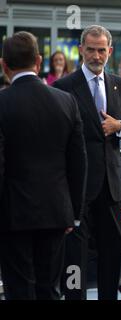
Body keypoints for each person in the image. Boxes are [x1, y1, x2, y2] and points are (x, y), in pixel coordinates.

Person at [53, 25, 121, 300]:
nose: (96, 55)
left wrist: (119, 126)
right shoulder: (64, 87)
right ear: (81, 50)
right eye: (90, 49)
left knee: (112, 253)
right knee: (74, 258)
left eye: (101, 50)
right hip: (78, 187)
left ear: (110, 51)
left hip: (111, 187)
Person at [0, 31, 87, 300]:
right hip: (56, 211)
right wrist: (74, 211)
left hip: (12, 213)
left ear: (3, 65)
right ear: (39, 62)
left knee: (18, 288)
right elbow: (78, 161)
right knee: (49, 288)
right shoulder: (66, 101)